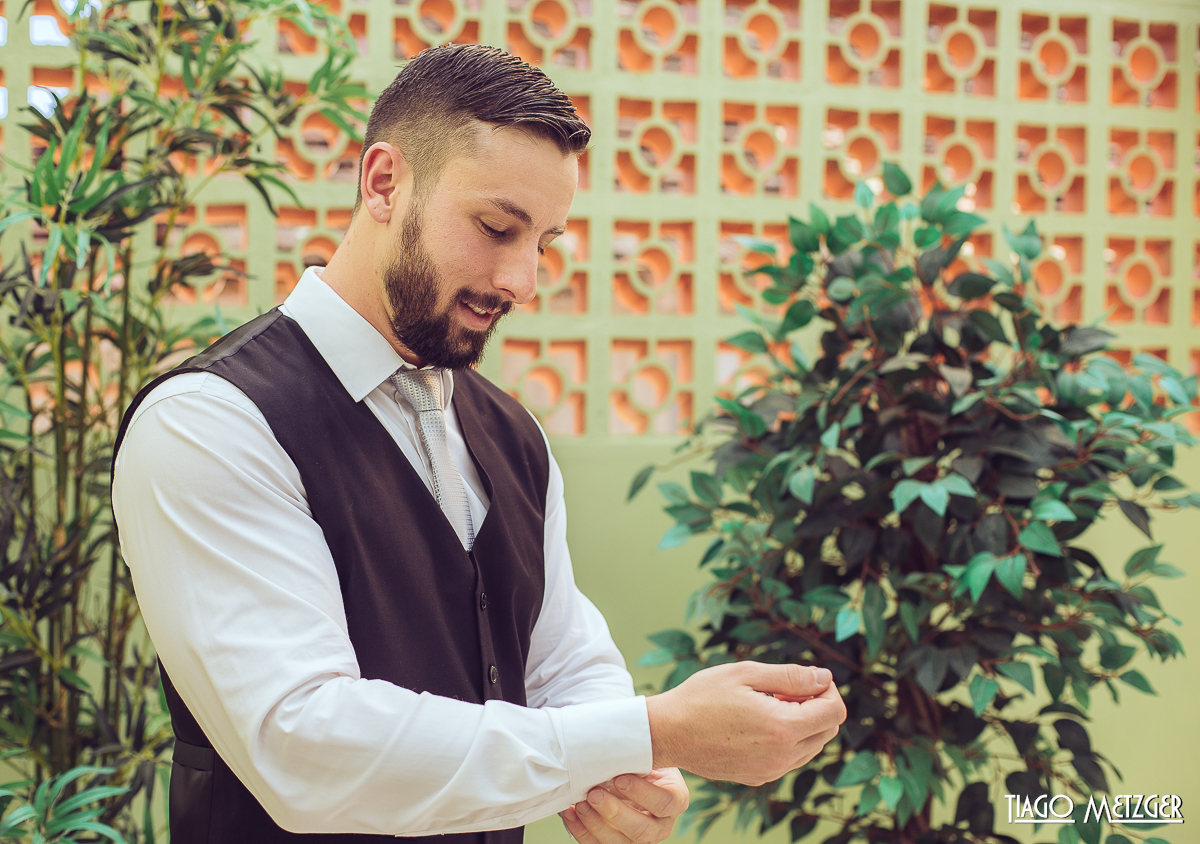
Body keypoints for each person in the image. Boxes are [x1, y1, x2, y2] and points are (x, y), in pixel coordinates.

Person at [112, 44, 845, 844]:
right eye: (497, 228)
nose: (522, 280)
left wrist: (632, 774)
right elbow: (304, 747)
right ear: (383, 183)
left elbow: (560, 657)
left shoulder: (512, 434)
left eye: (545, 242)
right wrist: (647, 732)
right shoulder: (211, 422)